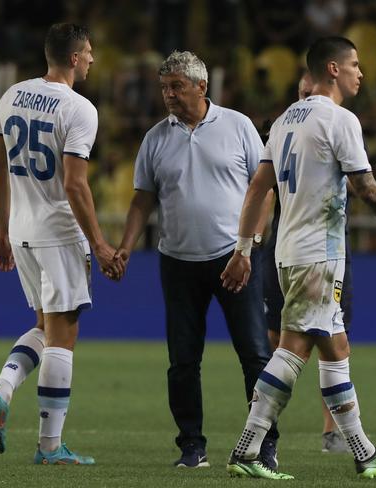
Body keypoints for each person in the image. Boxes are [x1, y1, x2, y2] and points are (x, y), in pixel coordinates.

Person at [220, 36, 376, 480]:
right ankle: (247, 449)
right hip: (320, 253)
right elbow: (366, 187)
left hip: (287, 251)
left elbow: (259, 188)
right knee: (293, 352)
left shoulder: (283, 121)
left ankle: (362, 452)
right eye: (354, 64)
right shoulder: (339, 119)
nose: (361, 73)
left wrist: (243, 249)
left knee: (331, 349)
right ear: (332, 69)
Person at [113, 50, 278, 470]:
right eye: (164, 87)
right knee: (183, 362)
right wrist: (126, 247)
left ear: (201, 87)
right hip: (177, 262)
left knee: (256, 355)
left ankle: (264, 445)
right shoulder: (155, 138)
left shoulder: (238, 126)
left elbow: (265, 191)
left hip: (234, 259)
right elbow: (142, 201)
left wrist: (249, 246)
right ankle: (192, 447)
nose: (168, 94)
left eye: (176, 86)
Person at [0, 23, 123, 464]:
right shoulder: (79, 109)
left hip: (22, 230)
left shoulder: (11, 96)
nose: (92, 60)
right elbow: (75, 183)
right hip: (59, 232)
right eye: (89, 53)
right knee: (64, 335)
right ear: (75, 57)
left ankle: (3, 389)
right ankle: (49, 446)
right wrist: (99, 244)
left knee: (46, 327)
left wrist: (1, 228)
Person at [261, 72, 351, 454]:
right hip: (309, 248)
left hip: (298, 249)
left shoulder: (288, 126)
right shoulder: (299, 126)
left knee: (333, 342)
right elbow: (264, 191)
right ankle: (257, 433)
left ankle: (346, 439)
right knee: (289, 344)